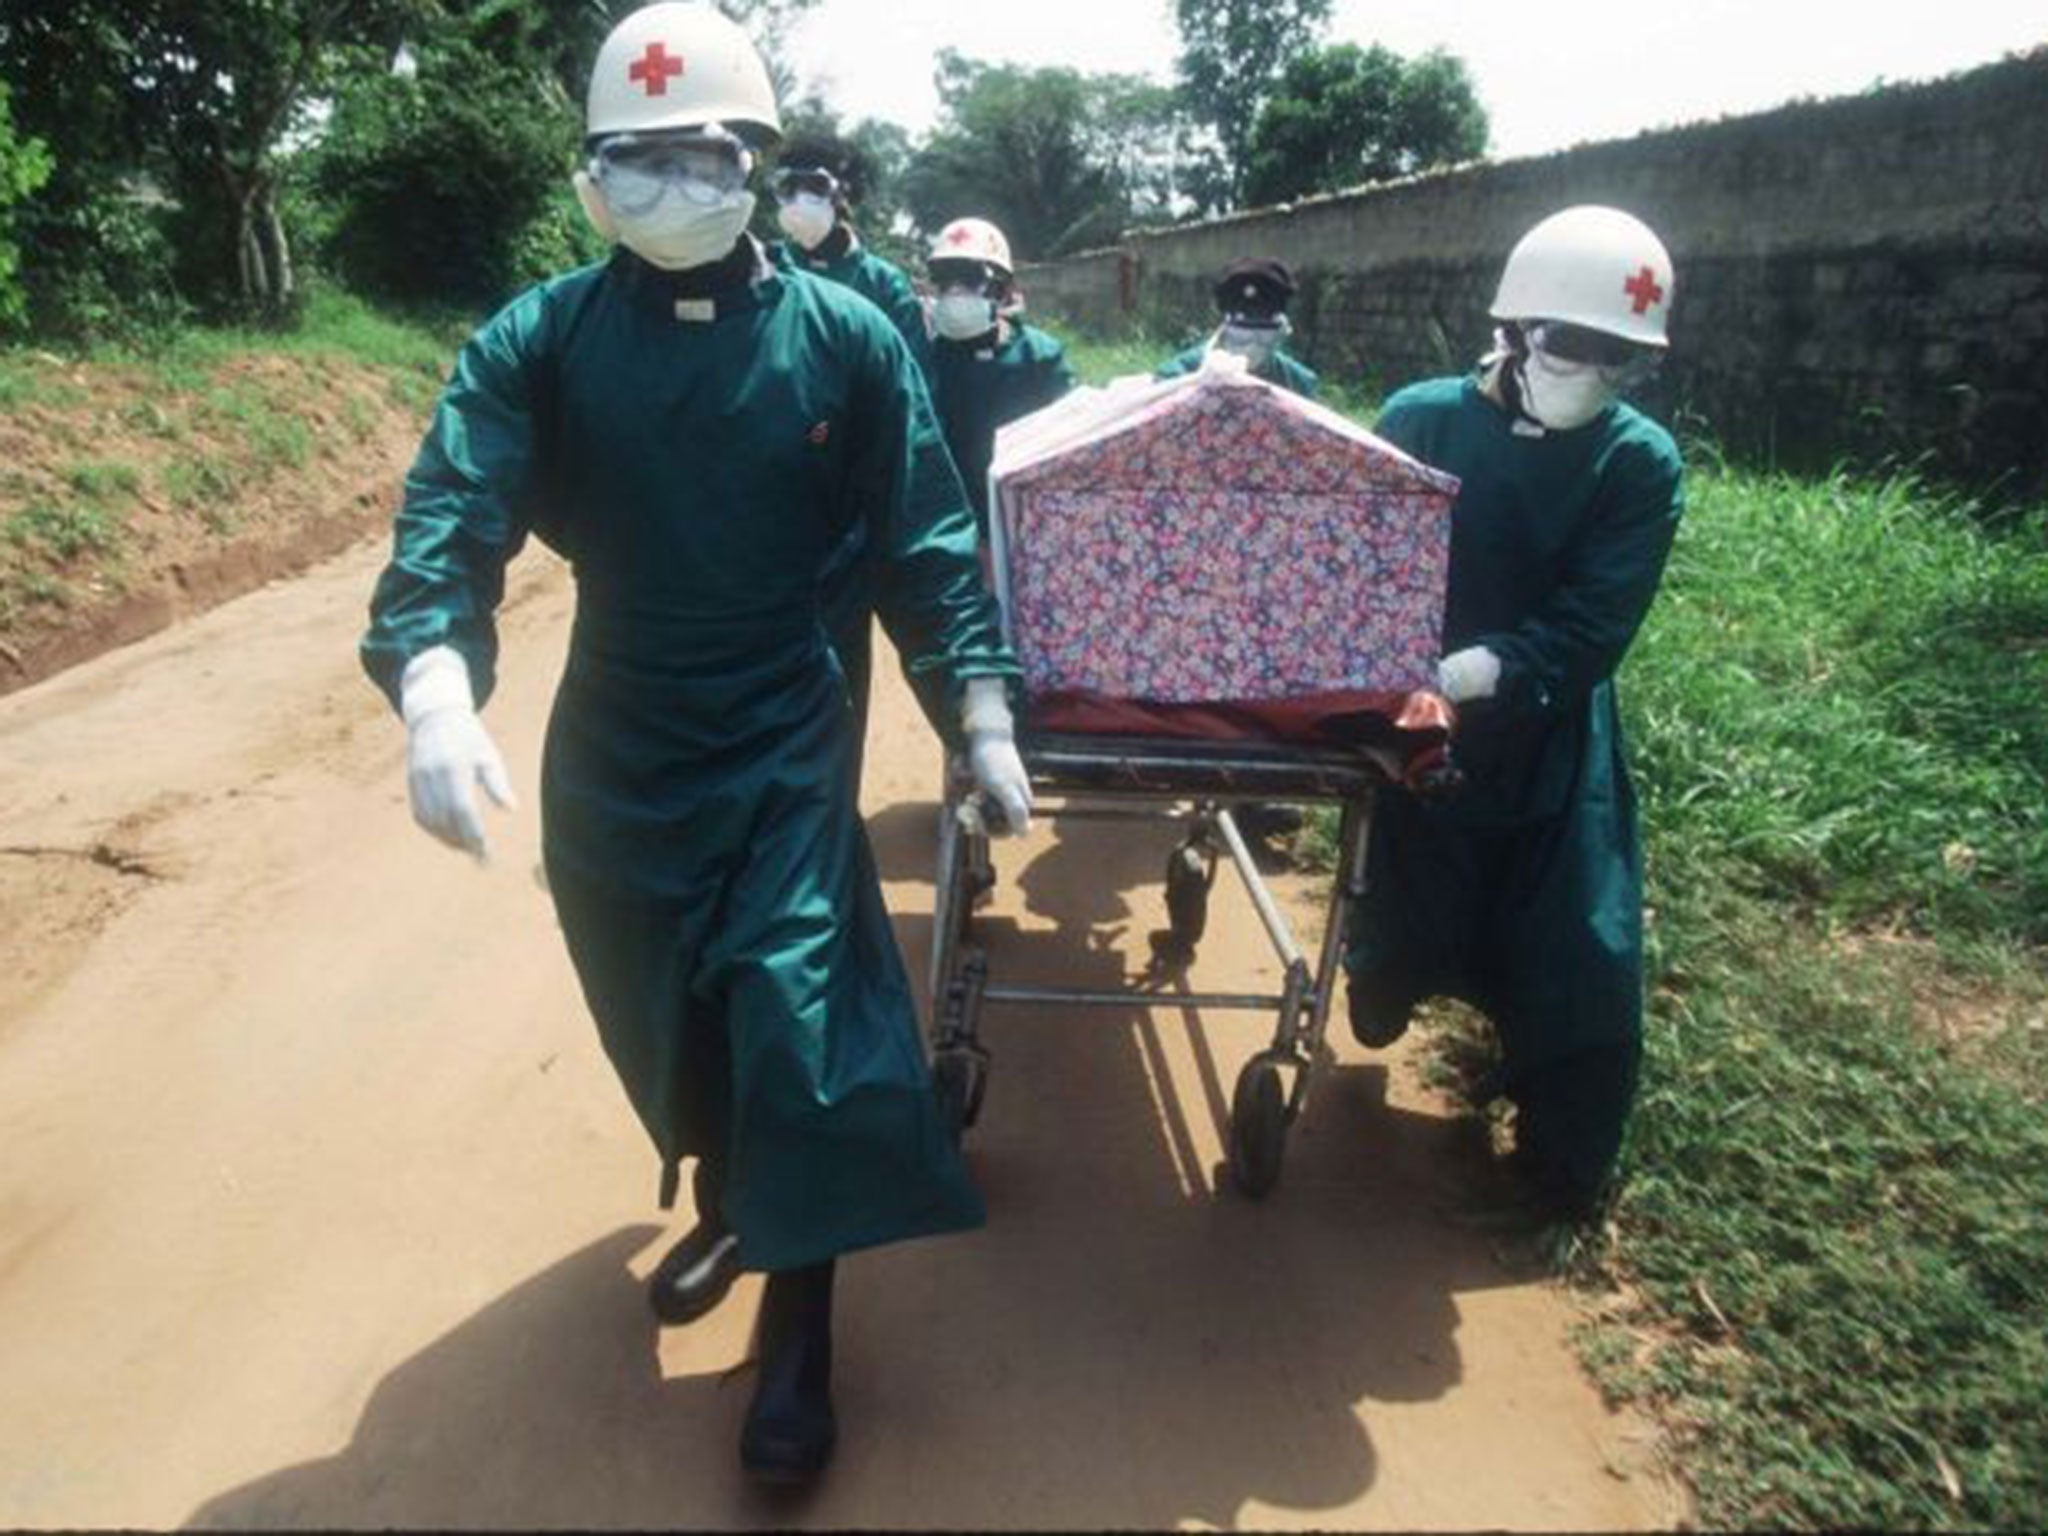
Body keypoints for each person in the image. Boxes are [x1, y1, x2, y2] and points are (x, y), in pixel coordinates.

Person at [358, 2, 1034, 1485]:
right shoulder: (541, 340)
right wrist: (431, 682)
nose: (668, 187)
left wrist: (976, 702)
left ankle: (799, 1335)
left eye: (700, 158)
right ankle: (736, 1192)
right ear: (591, 176)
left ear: (757, 165)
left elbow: (925, 539)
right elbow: (455, 510)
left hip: (787, 729)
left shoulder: (847, 341)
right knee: (663, 1004)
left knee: (798, 1025)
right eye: (632, 162)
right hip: (615, 743)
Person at [1342, 204, 1684, 1223]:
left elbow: (1594, 620)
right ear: (1513, 330)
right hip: (1413, 723)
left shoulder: (1636, 462)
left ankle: (1555, 1170)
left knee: (1579, 950)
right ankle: (1388, 990)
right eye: (1573, 346)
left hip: (1548, 730)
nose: (1593, 373)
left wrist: (1482, 670)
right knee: (1409, 911)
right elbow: (1356, 557)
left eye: (1618, 357)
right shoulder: (1419, 420)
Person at [766, 132, 932, 788]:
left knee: (837, 670)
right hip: (767, 506)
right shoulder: (763, 270)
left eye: (816, 188)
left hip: (847, 519)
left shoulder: (882, 288)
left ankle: (830, 808)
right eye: (788, 189)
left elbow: (914, 406)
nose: (800, 203)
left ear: (846, 197)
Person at [923, 217, 1076, 535]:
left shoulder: (1041, 358)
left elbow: (1070, 448)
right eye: (944, 279)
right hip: (954, 526)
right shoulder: (928, 360)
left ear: (1003, 290)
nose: (954, 291)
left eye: (968, 278)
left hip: (1030, 520)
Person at [1155, 256, 1320, 399]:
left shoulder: (1298, 382)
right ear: (1225, 328)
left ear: (1281, 331)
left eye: (1264, 336)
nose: (1252, 346)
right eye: (1242, 335)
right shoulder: (1184, 371)